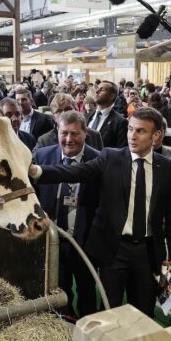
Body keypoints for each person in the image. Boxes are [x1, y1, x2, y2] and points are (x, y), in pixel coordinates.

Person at [30, 108, 171, 317]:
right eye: (130, 129)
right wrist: (38, 171)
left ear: (156, 136)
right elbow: (76, 171)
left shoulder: (168, 168)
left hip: (148, 253)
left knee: (144, 310)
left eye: (140, 131)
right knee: (109, 310)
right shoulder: (111, 157)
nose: (132, 136)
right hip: (114, 250)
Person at [33, 110, 100, 320]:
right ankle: (62, 327)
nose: (69, 139)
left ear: (85, 133)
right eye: (64, 133)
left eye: (75, 133)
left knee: (87, 290)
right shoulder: (42, 157)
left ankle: (88, 329)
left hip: (84, 242)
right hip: (52, 241)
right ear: (57, 132)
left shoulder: (98, 160)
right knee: (57, 290)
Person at [35, 93, 103, 151]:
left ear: (76, 110)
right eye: (59, 111)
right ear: (54, 118)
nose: (64, 113)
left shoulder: (94, 136)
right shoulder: (44, 141)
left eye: (68, 109)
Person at [86, 81, 127, 148]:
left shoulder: (120, 122)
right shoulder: (86, 116)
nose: (97, 91)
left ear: (111, 96)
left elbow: (121, 151)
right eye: (97, 88)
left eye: (102, 89)